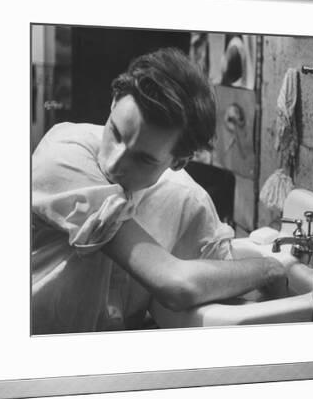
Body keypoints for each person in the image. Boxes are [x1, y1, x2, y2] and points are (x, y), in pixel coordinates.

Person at [31, 47, 287, 334]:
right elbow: (175, 283)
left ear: (179, 161)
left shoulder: (188, 201)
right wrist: (269, 269)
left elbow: (223, 295)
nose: (114, 163)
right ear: (114, 101)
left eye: (143, 158)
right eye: (115, 133)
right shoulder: (64, 154)